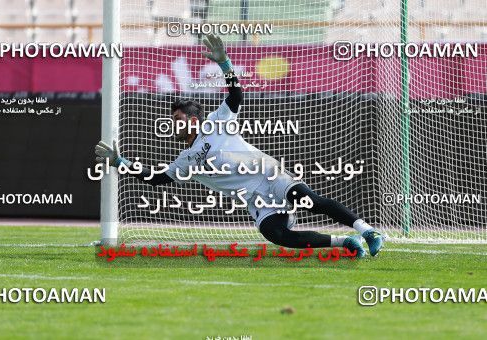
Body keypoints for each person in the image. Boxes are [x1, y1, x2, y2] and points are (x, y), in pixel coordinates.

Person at [95, 34, 384, 258]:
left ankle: (367, 231)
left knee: (309, 200)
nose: (174, 124)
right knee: (276, 235)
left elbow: (235, 93)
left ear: (194, 121)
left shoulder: (215, 122)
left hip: (269, 174)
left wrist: (224, 63)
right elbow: (157, 179)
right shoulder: (184, 160)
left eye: (178, 119)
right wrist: (120, 163)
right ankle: (344, 242)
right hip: (255, 196)